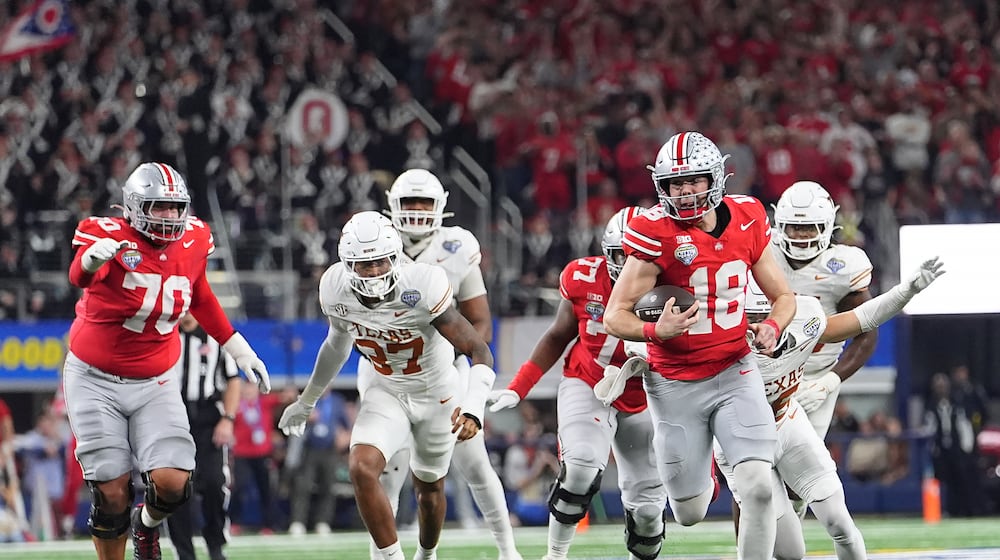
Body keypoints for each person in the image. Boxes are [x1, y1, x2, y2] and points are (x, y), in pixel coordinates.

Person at [62, 162, 271, 560]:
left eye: (177, 208)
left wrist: (240, 350)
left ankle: (146, 527)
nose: (172, 216)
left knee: (174, 482)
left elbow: (202, 295)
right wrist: (90, 260)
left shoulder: (193, 239)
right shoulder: (104, 234)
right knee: (110, 488)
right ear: (135, 206)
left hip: (155, 378)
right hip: (94, 377)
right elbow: (80, 278)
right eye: (160, 207)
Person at [603, 131, 796, 560]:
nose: (686, 191)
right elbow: (615, 315)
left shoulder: (747, 216)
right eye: (675, 183)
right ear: (662, 188)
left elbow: (784, 297)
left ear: (716, 178)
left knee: (758, 488)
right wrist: (656, 332)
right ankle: (700, 466)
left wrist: (773, 327)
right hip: (674, 383)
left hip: (735, 368)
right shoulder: (655, 231)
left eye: (694, 180)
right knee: (688, 512)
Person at [278, 211, 497, 560]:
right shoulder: (335, 287)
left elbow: (478, 349)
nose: (375, 272)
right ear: (348, 265)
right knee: (361, 467)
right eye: (364, 265)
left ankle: (427, 555)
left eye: (381, 262)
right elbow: (337, 345)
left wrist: (473, 405)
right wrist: (308, 401)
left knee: (429, 491)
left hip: (437, 393)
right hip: (388, 390)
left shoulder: (424, 283)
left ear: (396, 257)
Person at [712, 258, 942, 559]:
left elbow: (862, 318)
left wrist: (906, 291)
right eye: (750, 315)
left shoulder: (803, 319)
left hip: (787, 421)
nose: (758, 326)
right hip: (740, 440)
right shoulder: (714, 341)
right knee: (790, 551)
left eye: (766, 314)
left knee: (839, 522)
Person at [488, 206, 670, 560]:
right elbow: (558, 335)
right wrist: (520, 386)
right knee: (582, 466)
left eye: (640, 255)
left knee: (648, 511)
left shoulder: (675, 288)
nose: (631, 264)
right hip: (589, 382)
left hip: (647, 395)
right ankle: (555, 555)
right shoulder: (584, 278)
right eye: (624, 254)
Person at [357, 169, 520, 559]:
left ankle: (508, 551)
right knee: (388, 468)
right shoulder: (373, 240)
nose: (415, 211)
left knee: (473, 459)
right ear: (392, 205)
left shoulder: (456, 246)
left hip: (443, 368)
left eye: (423, 203)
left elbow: (479, 320)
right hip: (386, 370)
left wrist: (451, 354)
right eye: (408, 203)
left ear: (441, 207)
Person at [772, 181, 877, 441]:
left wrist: (830, 381)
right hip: (765, 371)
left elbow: (868, 333)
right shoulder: (762, 253)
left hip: (814, 377)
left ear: (827, 226)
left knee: (800, 467)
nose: (799, 236)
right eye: (794, 227)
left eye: (808, 228)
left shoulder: (842, 268)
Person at [167, 313, 242, 560]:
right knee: (175, 490)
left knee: (213, 483)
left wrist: (228, 419)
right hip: (172, 421)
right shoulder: (163, 334)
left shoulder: (215, 337)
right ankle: (184, 553)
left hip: (208, 421)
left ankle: (215, 544)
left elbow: (233, 380)